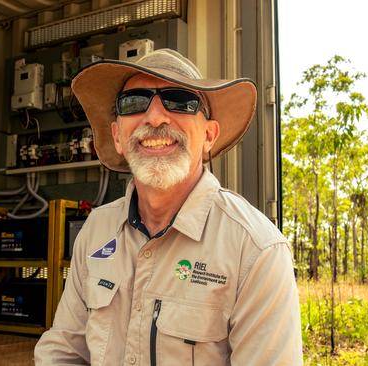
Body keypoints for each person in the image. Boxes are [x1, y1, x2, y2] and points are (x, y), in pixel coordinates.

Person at [34, 48, 302, 365]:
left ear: (208, 135)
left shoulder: (256, 250)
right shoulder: (97, 231)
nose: (156, 117)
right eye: (134, 103)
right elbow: (63, 351)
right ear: (118, 136)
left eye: (179, 100)